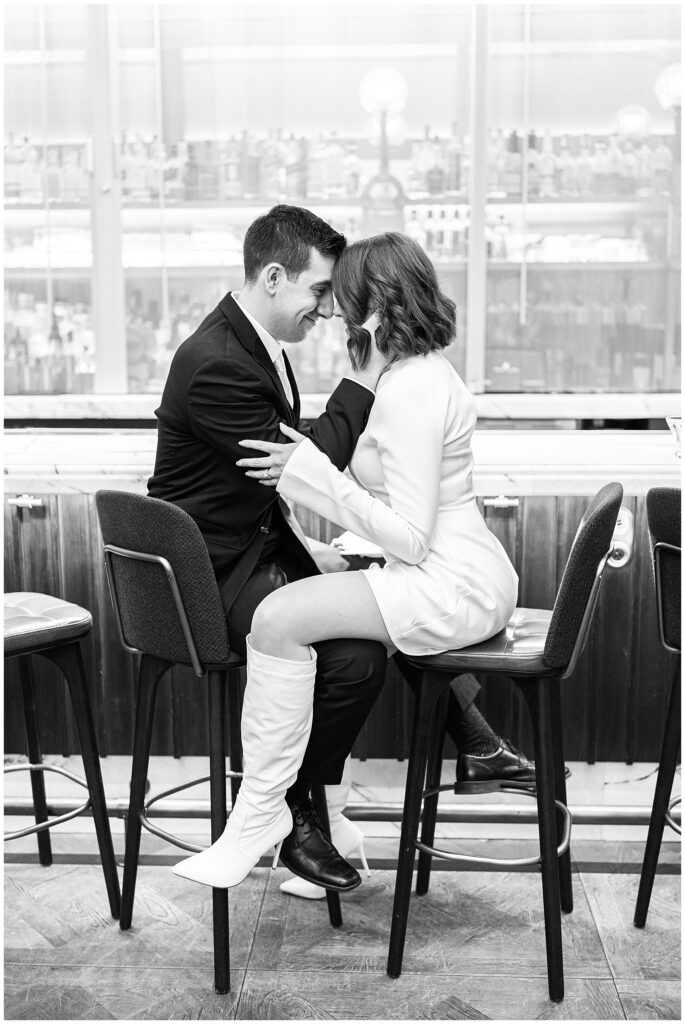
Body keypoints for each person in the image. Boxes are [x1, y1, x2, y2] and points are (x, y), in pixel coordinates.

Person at [170, 224, 534, 893]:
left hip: (449, 580)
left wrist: (318, 479)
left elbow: (413, 537)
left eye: (342, 298)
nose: (332, 312)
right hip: (449, 569)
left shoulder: (412, 389)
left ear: (375, 304)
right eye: (324, 294)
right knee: (331, 619)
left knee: (278, 620)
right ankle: (325, 815)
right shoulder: (403, 377)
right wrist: (318, 488)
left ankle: (266, 813)